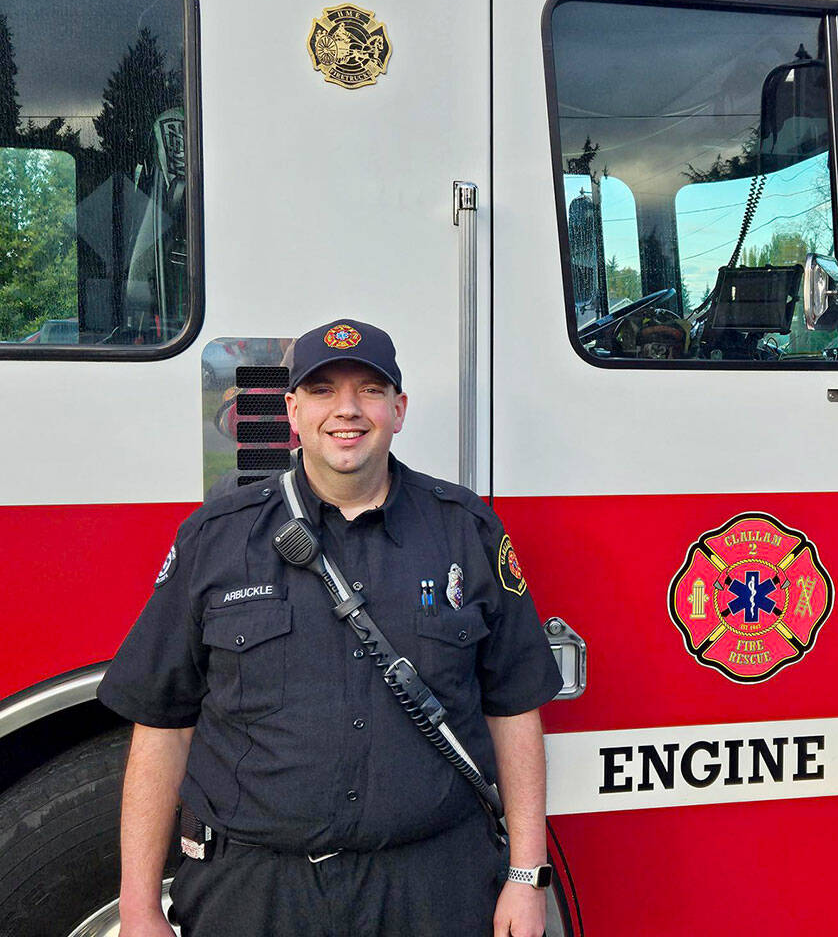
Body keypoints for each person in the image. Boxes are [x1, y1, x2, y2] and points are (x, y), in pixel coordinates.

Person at [99, 319, 564, 937]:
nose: (347, 409)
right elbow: (162, 726)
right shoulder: (217, 538)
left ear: (399, 410)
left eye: (370, 389)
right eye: (321, 390)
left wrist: (527, 874)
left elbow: (513, 709)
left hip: (431, 888)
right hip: (254, 894)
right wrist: (137, 906)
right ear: (291, 412)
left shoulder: (467, 530)